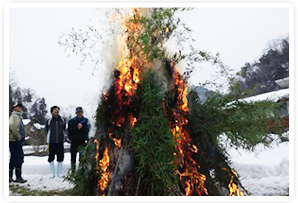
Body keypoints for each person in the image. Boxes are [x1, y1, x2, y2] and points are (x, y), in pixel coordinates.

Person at [67, 107, 90, 173]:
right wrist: (77, 127)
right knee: (73, 157)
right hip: (74, 141)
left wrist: (82, 127)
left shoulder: (86, 121)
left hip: (82, 142)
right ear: (76, 113)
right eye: (78, 112)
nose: (79, 113)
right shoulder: (71, 121)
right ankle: (73, 171)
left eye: (80, 112)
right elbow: (69, 131)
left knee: (82, 158)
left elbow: (87, 130)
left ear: (82, 113)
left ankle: (81, 172)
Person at [45, 106, 66, 178]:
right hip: (51, 142)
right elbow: (47, 131)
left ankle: (59, 173)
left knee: (60, 157)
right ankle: (52, 173)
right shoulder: (49, 121)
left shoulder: (62, 120)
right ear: (52, 112)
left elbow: (64, 129)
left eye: (57, 110)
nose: (56, 111)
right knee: (51, 157)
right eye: (55, 110)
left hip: (60, 142)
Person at [9, 103, 27, 183]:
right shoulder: (15, 116)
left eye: (20, 107)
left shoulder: (17, 116)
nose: (20, 108)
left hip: (13, 140)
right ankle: (18, 177)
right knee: (19, 158)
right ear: (14, 108)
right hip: (15, 140)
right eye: (18, 107)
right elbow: (13, 127)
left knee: (14, 158)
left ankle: (9, 176)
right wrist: (19, 137)